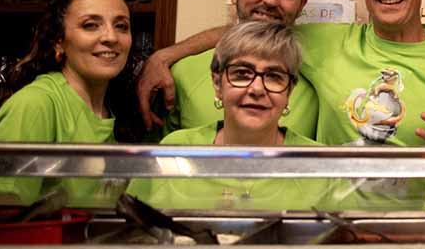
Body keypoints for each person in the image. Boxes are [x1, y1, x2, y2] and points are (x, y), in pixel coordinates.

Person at [136, 0, 425, 205]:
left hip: (415, 232)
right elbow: (254, 31)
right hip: (331, 225)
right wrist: (165, 56)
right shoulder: (328, 43)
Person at [129, 22, 355, 211]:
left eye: (274, 76)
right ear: (217, 84)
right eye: (242, 74)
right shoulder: (176, 150)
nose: (257, 88)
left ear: (289, 92)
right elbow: (134, 232)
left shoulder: (319, 165)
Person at [0, 0, 144, 207]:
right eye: (90, 25)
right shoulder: (35, 104)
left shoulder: (117, 109)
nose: (111, 37)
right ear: (59, 42)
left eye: (121, 26)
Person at [154, 0, 318, 137]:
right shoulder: (183, 73)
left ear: (302, 4)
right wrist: (160, 58)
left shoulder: (318, 72)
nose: (271, 0)